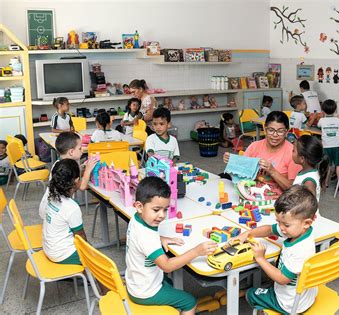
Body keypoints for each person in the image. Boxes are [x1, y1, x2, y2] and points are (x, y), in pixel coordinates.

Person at [125, 177, 217, 314]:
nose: (162, 215)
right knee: (189, 301)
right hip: (145, 292)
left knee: (169, 282)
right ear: (139, 206)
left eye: (165, 209)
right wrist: (196, 251)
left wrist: (160, 238)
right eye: (156, 210)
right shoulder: (147, 237)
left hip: (135, 282)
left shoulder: (137, 219)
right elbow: (167, 266)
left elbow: (141, 239)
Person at [234, 185, 318, 314]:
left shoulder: (300, 249)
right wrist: (248, 233)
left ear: (306, 222)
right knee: (269, 282)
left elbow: (282, 279)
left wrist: (260, 258)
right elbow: (269, 229)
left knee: (251, 293)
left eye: (285, 225)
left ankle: (264, 311)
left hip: (290, 304)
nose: (281, 228)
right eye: (278, 222)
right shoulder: (299, 230)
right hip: (304, 296)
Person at [223, 111, 301, 194]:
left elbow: (294, 189)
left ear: (287, 132)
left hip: (277, 199)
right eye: (271, 130)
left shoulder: (293, 153)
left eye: (280, 131)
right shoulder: (254, 146)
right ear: (264, 129)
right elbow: (242, 173)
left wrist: (272, 171)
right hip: (251, 193)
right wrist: (232, 161)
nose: (275, 135)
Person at [39, 132, 98, 219]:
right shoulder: (68, 168)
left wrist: (81, 168)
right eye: (80, 148)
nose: (82, 151)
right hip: (56, 210)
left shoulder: (59, 163)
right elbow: (82, 186)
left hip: (51, 205)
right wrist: (88, 170)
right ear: (71, 152)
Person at [42, 159, 87, 265]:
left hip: (49, 247)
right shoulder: (72, 207)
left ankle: (86, 276)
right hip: (62, 254)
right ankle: (92, 279)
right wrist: (91, 254)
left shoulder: (52, 195)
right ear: (76, 181)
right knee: (99, 262)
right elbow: (81, 238)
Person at [292, 135, 329, 203]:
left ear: (302, 159)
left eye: (293, 150)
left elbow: (309, 206)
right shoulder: (306, 172)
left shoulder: (309, 181)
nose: (291, 152)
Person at [317, 99, 339, 190]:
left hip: (326, 146)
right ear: (335, 110)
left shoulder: (321, 120)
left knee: (328, 166)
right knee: (338, 165)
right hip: (337, 145)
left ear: (323, 110)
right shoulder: (338, 120)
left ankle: (325, 183)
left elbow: (319, 126)